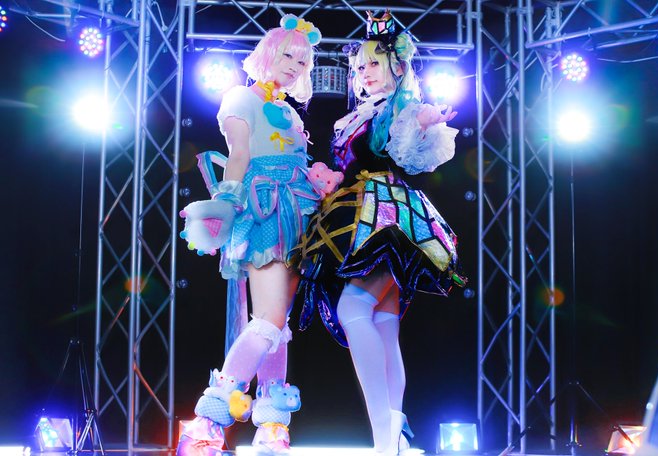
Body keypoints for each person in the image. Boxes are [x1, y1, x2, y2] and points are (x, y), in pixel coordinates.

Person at [289, 10, 467, 456]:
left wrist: (423, 125)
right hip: (351, 216)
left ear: (397, 66)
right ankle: (391, 437)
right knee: (384, 328)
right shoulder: (353, 116)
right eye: (359, 66)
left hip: (387, 217)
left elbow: (410, 158)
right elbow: (348, 167)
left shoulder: (403, 108)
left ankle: (386, 433)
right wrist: (326, 178)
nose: (364, 73)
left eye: (372, 63)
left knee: (353, 308)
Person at [176, 14, 324, 456]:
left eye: (303, 62)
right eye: (288, 56)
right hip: (265, 208)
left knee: (278, 324)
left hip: (300, 213)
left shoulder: (291, 112)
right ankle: (208, 421)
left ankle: (272, 427)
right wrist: (226, 202)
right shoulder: (240, 96)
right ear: (268, 54)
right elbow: (239, 155)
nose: (295, 67)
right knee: (269, 320)